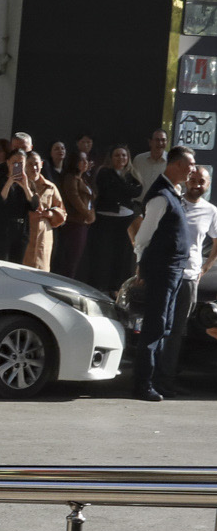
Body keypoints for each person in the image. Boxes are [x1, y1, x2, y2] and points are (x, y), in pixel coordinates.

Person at [128, 147, 198, 401]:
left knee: (165, 327)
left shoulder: (173, 193)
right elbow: (143, 237)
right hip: (161, 270)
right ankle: (142, 384)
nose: (192, 169)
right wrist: (141, 266)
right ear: (176, 165)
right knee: (154, 326)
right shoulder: (160, 196)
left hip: (174, 269)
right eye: (189, 164)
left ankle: (155, 380)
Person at [160, 166, 216, 395]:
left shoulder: (211, 211)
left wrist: (206, 266)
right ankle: (149, 376)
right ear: (186, 181)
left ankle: (167, 380)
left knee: (177, 332)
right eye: (193, 179)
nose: (196, 184)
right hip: (167, 274)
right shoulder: (174, 204)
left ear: (208, 185)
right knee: (159, 327)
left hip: (190, 278)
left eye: (201, 181)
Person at [88, 146, 142, 293]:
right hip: (106, 220)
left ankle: (117, 288)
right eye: (117, 155)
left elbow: (137, 191)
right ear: (111, 158)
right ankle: (100, 287)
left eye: (124, 155)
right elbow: (109, 192)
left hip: (125, 221)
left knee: (122, 255)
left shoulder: (131, 174)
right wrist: (124, 188)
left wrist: (120, 187)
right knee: (105, 254)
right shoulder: (104, 172)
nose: (121, 158)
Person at [0, 149, 35, 263]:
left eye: (20, 163)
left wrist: (25, 187)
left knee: (16, 264)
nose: (17, 166)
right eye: (14, 162)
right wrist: (10, 182)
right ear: (8, 162)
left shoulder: (28, 183)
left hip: (20, 230)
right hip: (1, 230)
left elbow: (34, 205)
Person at [20, 152, 67, 272]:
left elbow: (62, 211)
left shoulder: (50, 186)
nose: (34, 168)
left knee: (40, 270)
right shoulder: (18, 184)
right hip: (24, 231)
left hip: (43, 236)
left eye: (36, 164)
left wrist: (50, 214)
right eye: (30, 164)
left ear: (41, 165)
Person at [52, 152, 95, 279]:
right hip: (73, 222)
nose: (85, 162)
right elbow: (74, 198)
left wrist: (91, 214)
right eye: (81, 160)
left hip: (83, 222)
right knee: (70, 258)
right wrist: (88, 215)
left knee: (76, 258)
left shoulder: (83, 178)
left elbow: (90, 199)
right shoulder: (70, 178)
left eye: (86, 160)